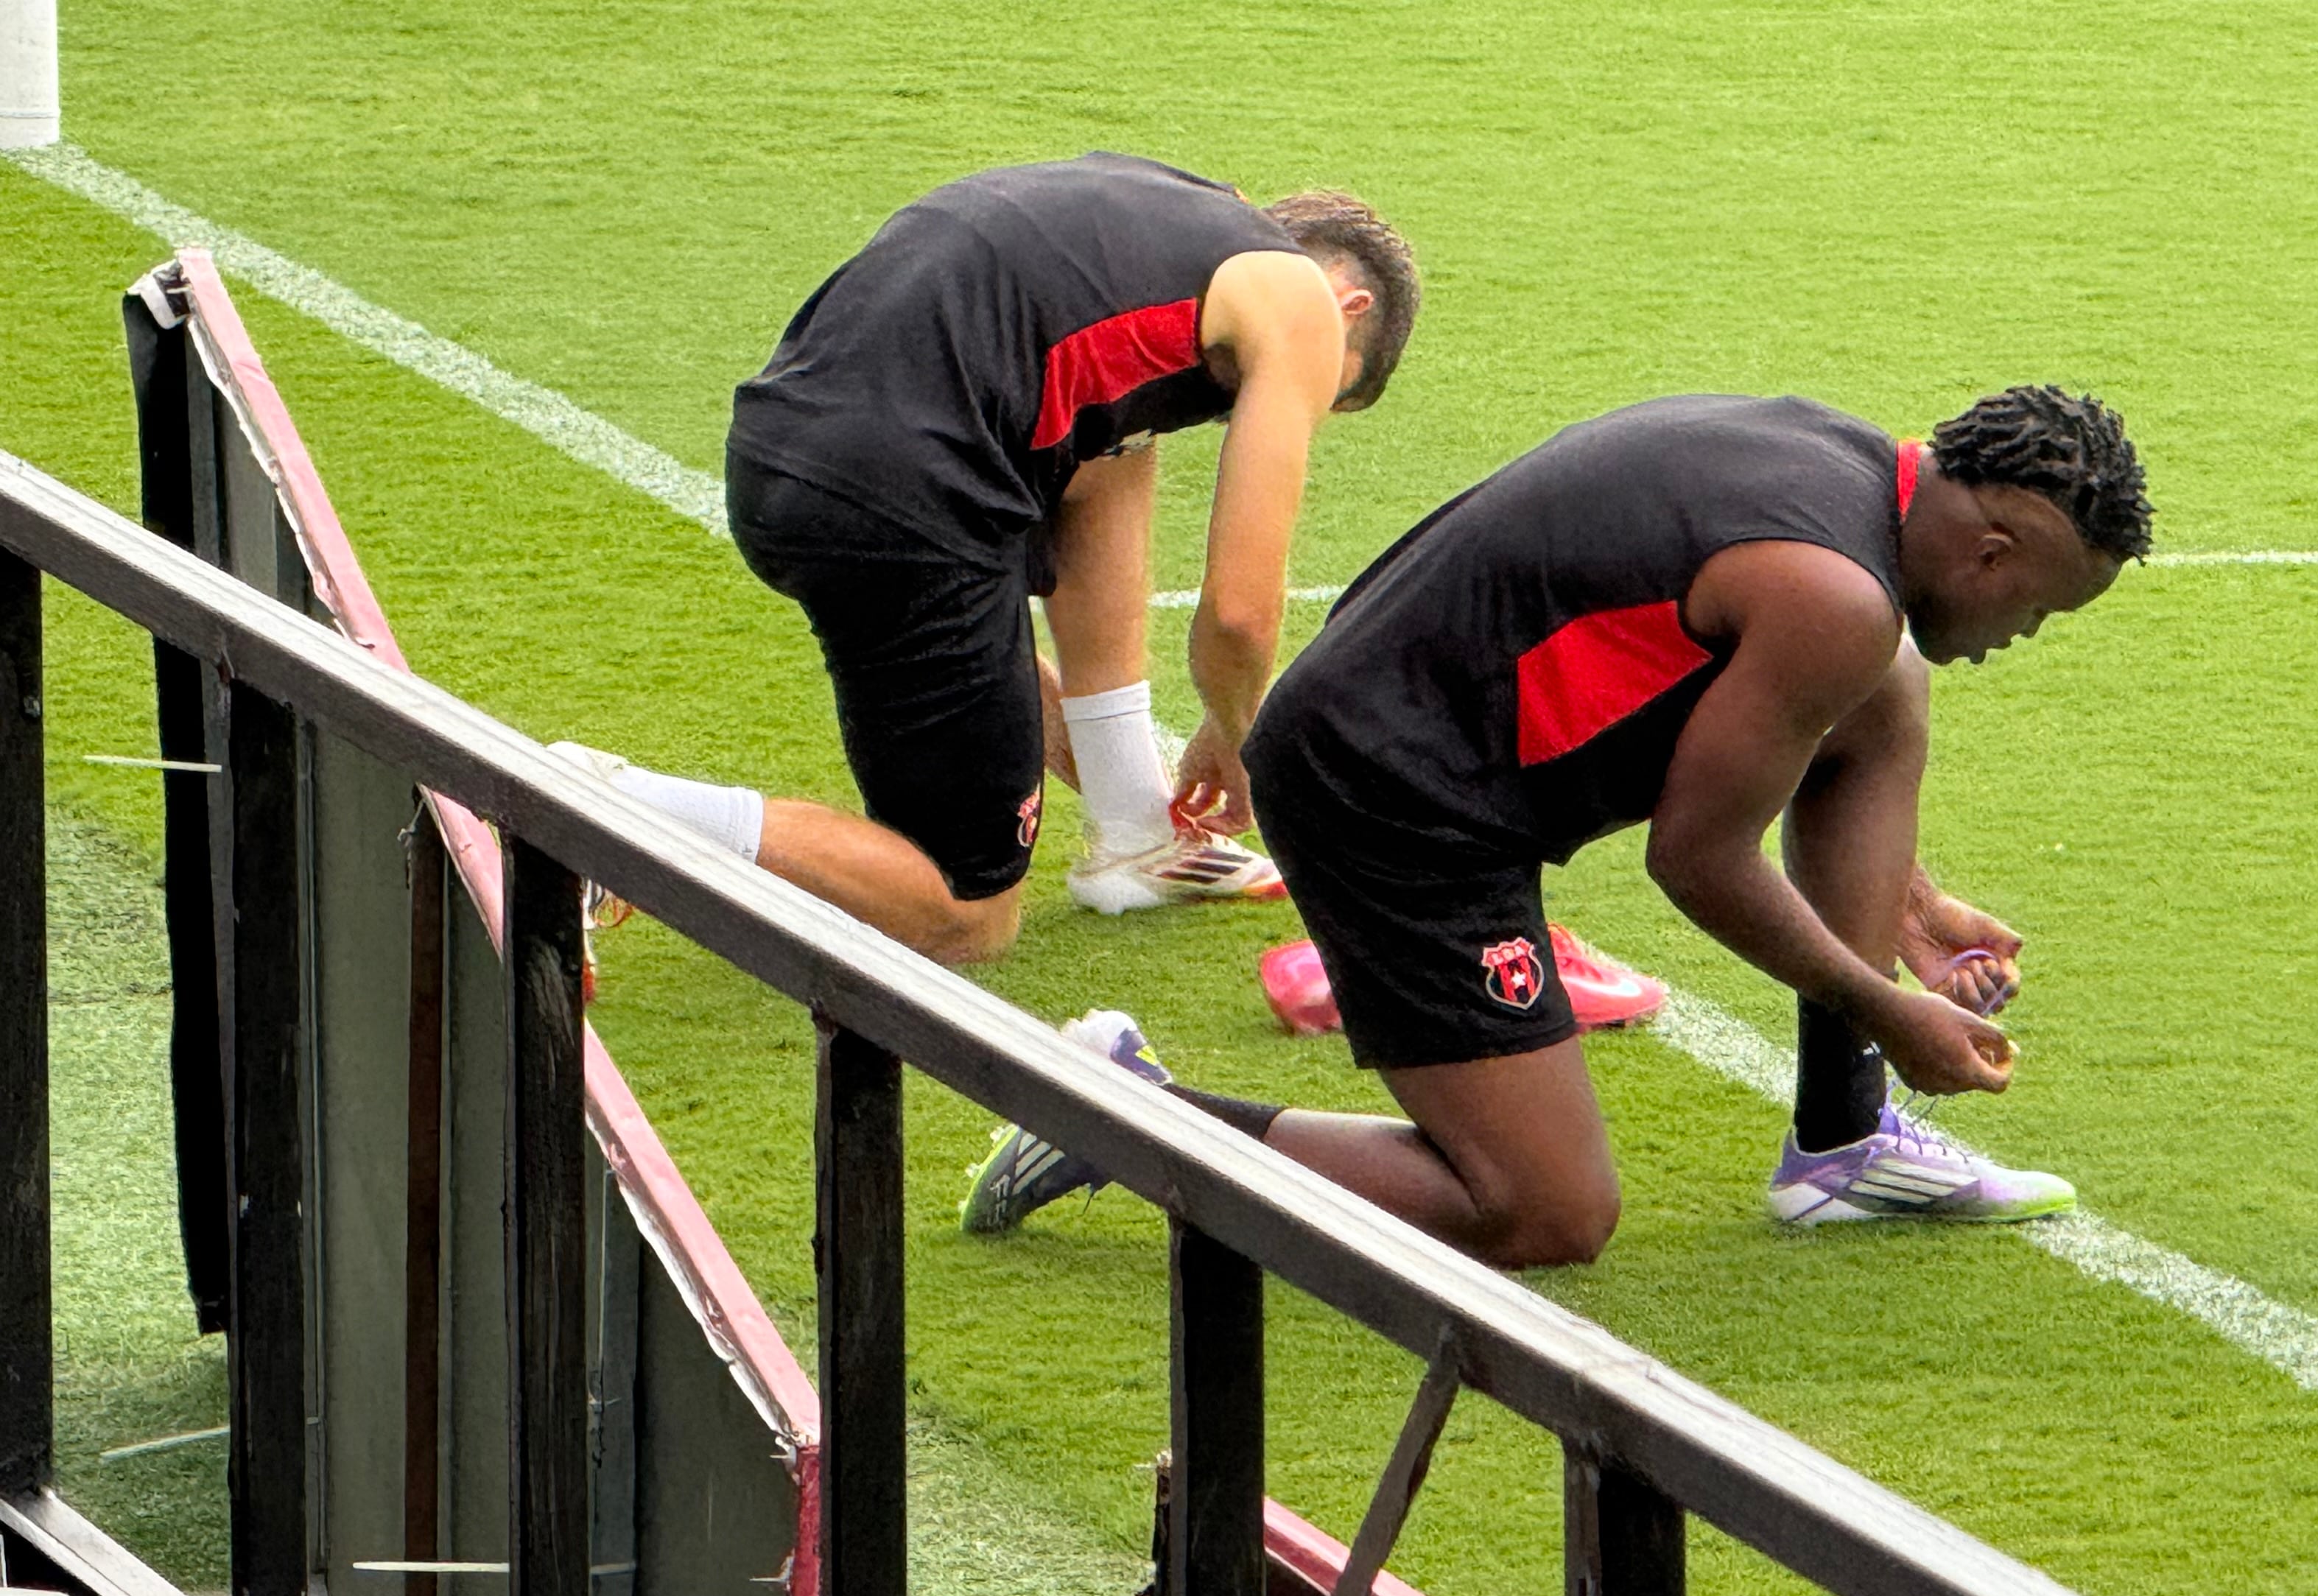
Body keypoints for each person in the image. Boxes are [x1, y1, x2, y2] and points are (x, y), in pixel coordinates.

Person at [966, 384, 2149, 1267]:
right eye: (2038, 610)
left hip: (1417, 740)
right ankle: (1122, 1112)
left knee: (1889, 680)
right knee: (1542, 1212)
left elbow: (1789, 725)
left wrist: (1909, 904)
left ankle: (1843, 1149)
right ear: (1993, 553)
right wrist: (1886, 1005)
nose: (2018, 638)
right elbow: (1696, 859)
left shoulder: (1844, 471)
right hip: (1388, 803)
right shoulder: (1831, 592)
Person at [554, 152, 1419, 960]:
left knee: (1118, 445)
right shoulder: (1299, 302)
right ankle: (615, 810)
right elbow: (1236, 613)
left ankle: (1133, 828)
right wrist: (1240, 738)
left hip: (787, 452)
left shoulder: (1178, 216)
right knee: (967, 914)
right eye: (1327, 394)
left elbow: (1091, 435)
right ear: (1349, 311)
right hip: (904, 506)